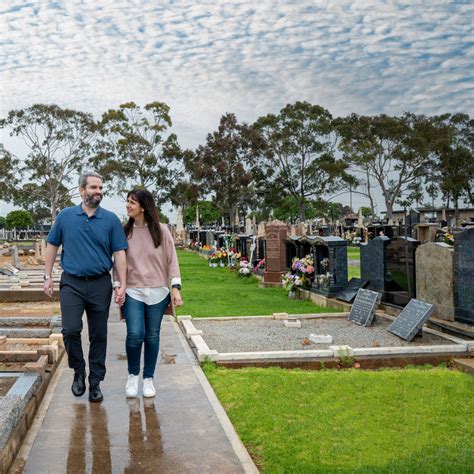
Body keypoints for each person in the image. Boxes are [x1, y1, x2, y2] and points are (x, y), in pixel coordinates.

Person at [43, 171, 128, 402]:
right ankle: (78, 370)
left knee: (99, 335)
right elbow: (51, 245)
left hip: (100, 283)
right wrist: (47, 276)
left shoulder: (110, 220)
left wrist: (122, 284)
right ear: (82, 190)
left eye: (100, 188)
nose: (98, 191)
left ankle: (95, 381)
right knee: (70, 330)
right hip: (72, 282)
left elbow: (120, 254)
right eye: (93, 188)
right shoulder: (65, 217)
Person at [119, 188, 183, 398]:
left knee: (152, 335)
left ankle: (148, 379)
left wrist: (175, 289)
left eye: (132, 202)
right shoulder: (125, 232)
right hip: (133, 291)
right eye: (127, 202)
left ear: (143, 207)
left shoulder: (161, 231)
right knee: (135, 334)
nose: (128, 205)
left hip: (158, 291)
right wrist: (118, 286)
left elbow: (172, 260)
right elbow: (117, 262)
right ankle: (132, 376)